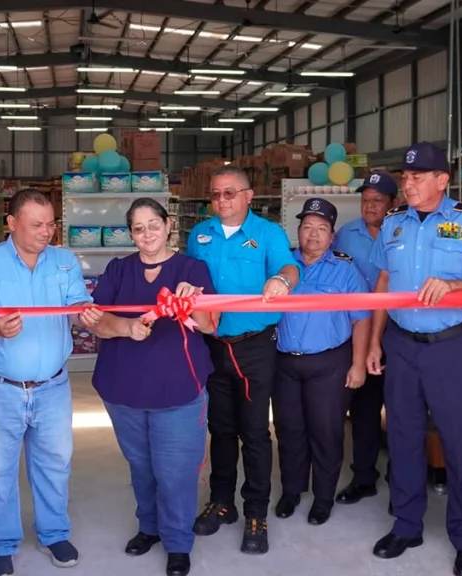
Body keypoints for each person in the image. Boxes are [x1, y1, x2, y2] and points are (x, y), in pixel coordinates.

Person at [366, 142, 462, 576]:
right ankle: (406, 525)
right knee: (403, 438)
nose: (407, 184)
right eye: (405, 177)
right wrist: (374, 342)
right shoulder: (394, 223)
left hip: (449, 347)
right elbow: (383, 284)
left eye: (417, 177)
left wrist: (454, 286)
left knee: (459, 441)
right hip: (401, 344)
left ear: (442, 180)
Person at [0, 188, 93, 576]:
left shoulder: (64, 262)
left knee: (55, 465)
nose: (46, 232)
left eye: (51, 224)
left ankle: (53, 533)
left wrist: (87, 312)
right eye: (36, 225)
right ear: (11, 223)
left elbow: (77, 305)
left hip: (53, 386)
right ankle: (1, 543)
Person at [79, 198, 219, 576]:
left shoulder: (192, 268)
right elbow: (97, 321)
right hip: (123, 390)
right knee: (141, 467)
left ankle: (178, 542)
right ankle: (149, 527)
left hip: (178, 391)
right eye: (138, 228)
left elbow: (210, 324)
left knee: (175, 472)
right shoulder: (118, 269)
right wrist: (127, 327)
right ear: (131, 234)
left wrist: (194, 300)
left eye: (153, 225)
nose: (147, 234)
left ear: (168, 224)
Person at [185, 165, 300, 555]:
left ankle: (256, 512)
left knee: (254, 433)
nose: (221, 200)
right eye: (216, 194)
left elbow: (289, 267)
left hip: (254, 348)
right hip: (213, 345)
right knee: (220, 430)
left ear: (248, 196)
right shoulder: (200, 234)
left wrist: (281, 281)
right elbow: (189, 278)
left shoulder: (268, 233)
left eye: (230, 193)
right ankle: (222, 502)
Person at [272, 198, 371, 526]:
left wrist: (358, 364)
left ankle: (323, 497)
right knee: (289, 429)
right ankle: (291, 491)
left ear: (332, 236)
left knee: (326, 432)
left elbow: (361, 319)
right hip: (285, 362)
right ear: (298, 231)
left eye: (321, 229)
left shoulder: (345, 270)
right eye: (307, 227)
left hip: (330, 363)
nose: (313, 235)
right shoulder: (283, 266)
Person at [331, 172, 398, 509]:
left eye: (377, 200)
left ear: (393, 203)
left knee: (401, 411)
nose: (370, 206)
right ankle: (364, 478)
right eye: (366, 199)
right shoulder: (346, 235)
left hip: (397, 333)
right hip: (358, 333)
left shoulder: (404, 232)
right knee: (363, 410)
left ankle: (401, 483)